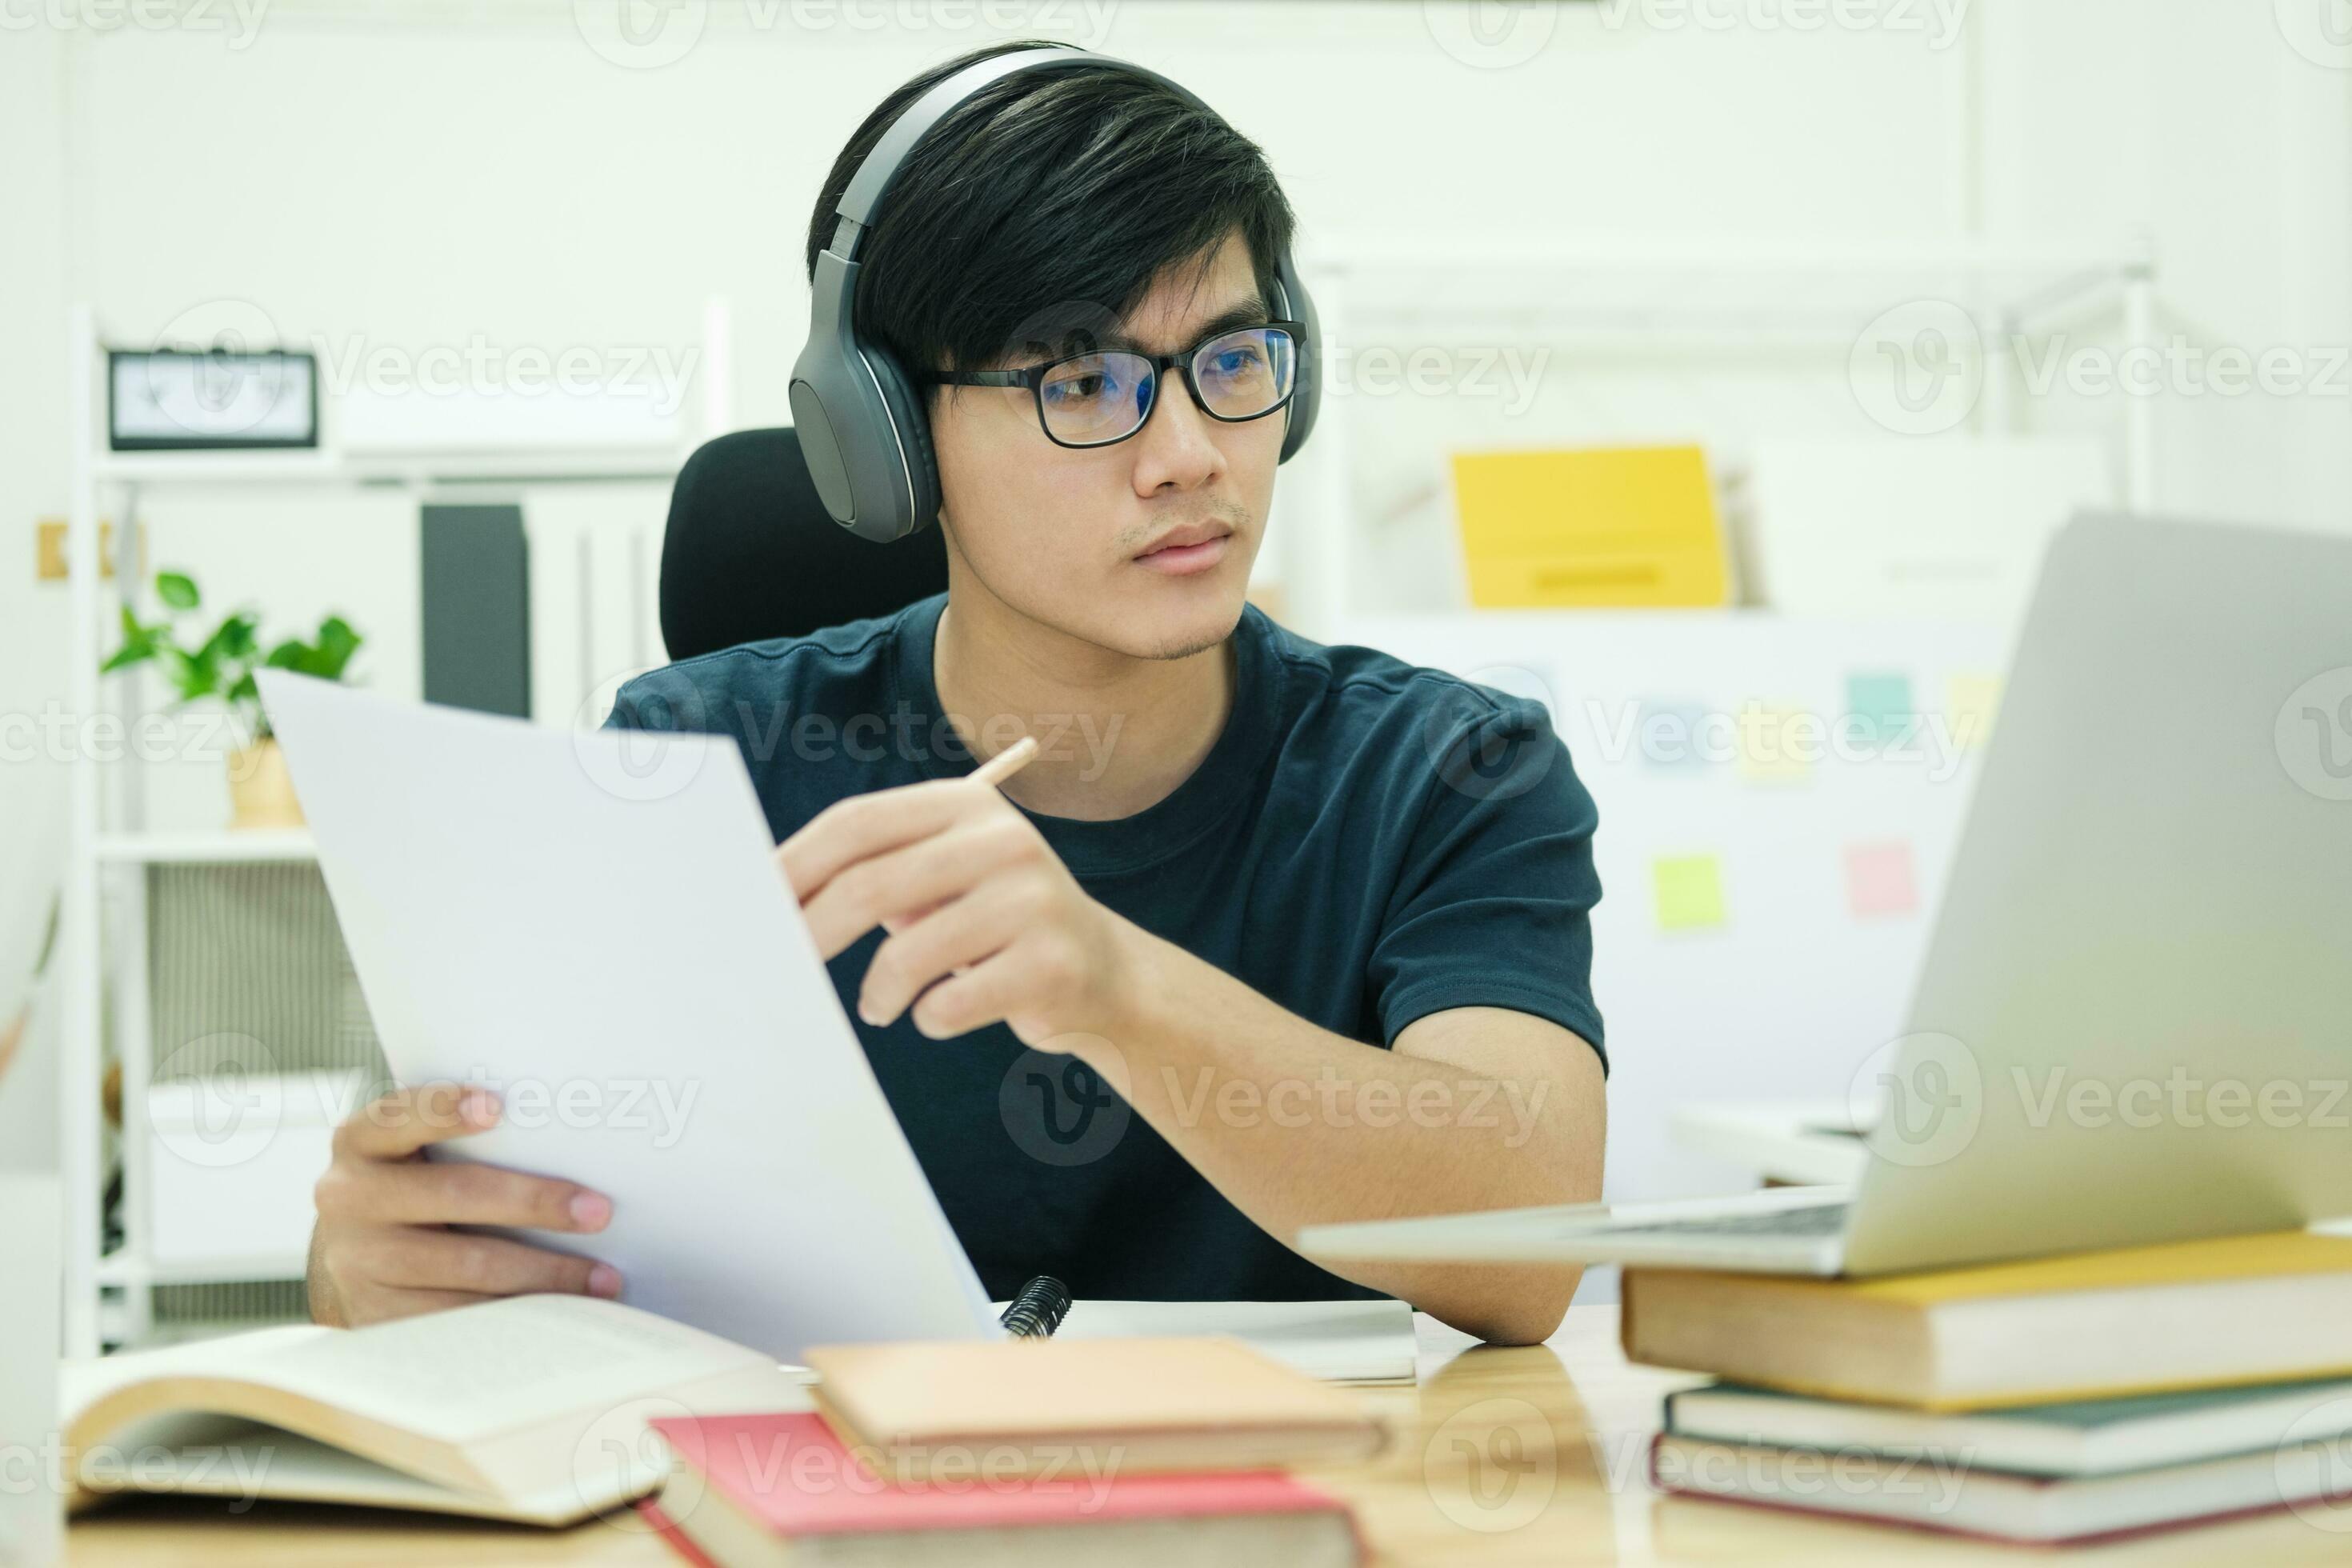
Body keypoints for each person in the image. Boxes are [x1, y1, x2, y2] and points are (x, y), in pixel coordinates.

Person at [308, 42, 1606, 1346]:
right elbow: (505, 1239)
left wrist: (1115, 986)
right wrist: (376, 1270)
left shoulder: (1449, 768)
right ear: (885, 437)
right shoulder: (696, 762)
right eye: (1080, 381)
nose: (1189, 456)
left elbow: (1528, 1242)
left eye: (1232, 360)